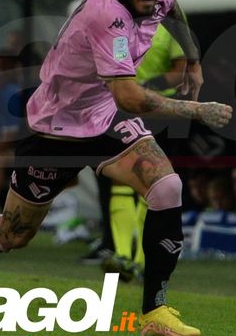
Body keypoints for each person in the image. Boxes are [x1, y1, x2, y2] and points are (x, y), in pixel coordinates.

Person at [0, 0, 232, 336]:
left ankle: (155, 310)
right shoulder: (105, 16)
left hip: (103, 117)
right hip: (56, 129)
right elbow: (130, 95)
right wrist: (198, 110)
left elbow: (172, 6)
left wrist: (192, 58)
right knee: (14, 234)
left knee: (167, 186)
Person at [80, 22, 187, 277]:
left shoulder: (171, 29)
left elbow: (180, 71)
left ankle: (140, 259)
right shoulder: (118, 27)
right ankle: (123, 256)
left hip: (158, 112)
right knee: (120, 183)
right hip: (122, 109)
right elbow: (112, 63)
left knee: (151, 184)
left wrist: (153, 82)